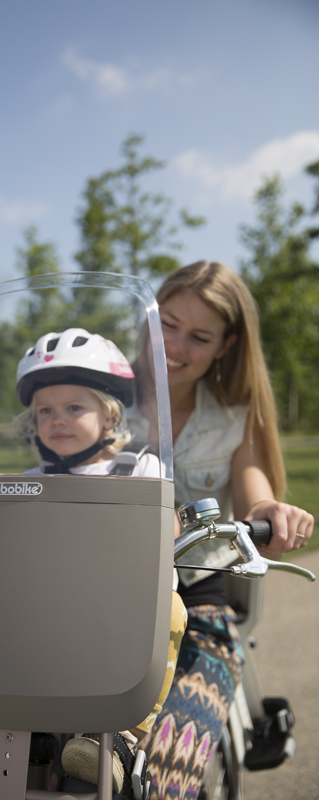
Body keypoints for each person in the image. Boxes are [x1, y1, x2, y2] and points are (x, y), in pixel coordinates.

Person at [0, 328, 188, 795]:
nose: (57, 419)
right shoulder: (27, 480)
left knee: (169, 609)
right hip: (35, 617)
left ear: (110, 412)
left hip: (110, 614)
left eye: (75, 407)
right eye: (45, 411)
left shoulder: (138, 469)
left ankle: (120, 737)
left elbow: (162, 534)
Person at [136, 261, 314, 799]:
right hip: (98, 598)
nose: (174, 344)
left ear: (226, 345)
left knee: (167, 760)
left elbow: (255, 490)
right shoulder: (98, 393)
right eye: (166, 323)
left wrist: (273, 510)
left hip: (198, 604)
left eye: (199, 336)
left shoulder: (236, 417)